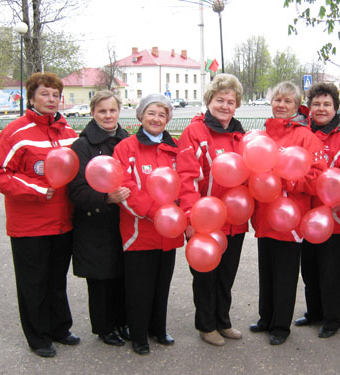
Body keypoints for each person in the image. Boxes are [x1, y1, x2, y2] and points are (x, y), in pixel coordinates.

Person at [0, 72, 80, 358]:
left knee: (56, 279)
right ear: (31, 97)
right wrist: (36, 189)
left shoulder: (67, 131)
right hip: (29, 225)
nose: (51, 99)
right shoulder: (15, 133)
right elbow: (1, 174)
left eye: (56, 95)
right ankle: (38, 336)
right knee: (33, 283)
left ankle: (59, 327)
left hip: (62, 222)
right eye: (44, 94)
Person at [249, 81, 327, 345]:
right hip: (264, 215)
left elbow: (318, 178)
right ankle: (265, 318)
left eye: (288, 102)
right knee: (266, 270)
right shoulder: (263, 135)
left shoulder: (306, 137)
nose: (281, 105)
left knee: (285, 273)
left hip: (290, 217)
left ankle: (281, 325)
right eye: (277, 100)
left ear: (296, 107)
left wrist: (290, 181)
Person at [177, 73, 246, 347]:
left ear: (237, 105)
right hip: (205, 222)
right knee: (205, 276)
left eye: (231, 101)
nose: (225, 106)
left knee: (226, 276)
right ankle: (206, 326)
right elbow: (186, 179)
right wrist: (191, 218)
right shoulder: (195, 133)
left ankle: (223, 321)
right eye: (220, 100)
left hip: (234, 221)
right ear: (209, 101)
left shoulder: (241, 136)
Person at [112, 94, 183, 355]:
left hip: (168, 233)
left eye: (162, 115)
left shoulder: (174, 148)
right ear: (141, 116)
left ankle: (158, 328)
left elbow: (183, 185)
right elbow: (125, 187)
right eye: (151, 113)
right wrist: (156, 213)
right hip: (139, 232)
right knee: (139, 287)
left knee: (161, 284)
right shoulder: (126, 148)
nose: (156, 119)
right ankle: (139, 334)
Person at [293, 82, 340, 338]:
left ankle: (332, 319)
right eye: (316, 104)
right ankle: (314, 312)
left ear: (336, 108)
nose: (321, 109)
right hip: (307, 216)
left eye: (326, 104)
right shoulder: (301, 133)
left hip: (338, 218)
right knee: (310, 269)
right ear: (309, 107)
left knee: (333, 272)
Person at [68, 91, 130, 347]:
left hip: (124, 220)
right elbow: (76, 190)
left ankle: (122, 321)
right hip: (95, 222)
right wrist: (106, 198)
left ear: (119, 112)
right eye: (102, 111)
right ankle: (104, 327)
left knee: (123, 274)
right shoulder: (82, 146)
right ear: (93, 113)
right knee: (101, 278)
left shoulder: (127, 141)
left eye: (112, 110)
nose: (108, 116)